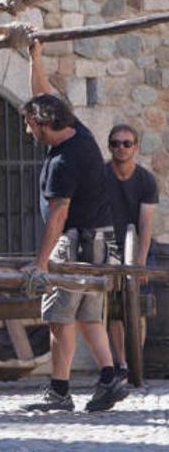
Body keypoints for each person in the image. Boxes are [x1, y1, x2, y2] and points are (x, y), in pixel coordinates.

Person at [19, 40, 128, 413]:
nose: (27, 129)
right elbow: (43, 94)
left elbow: (58, 215)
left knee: (59, 318)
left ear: (46, 124)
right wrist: (34, 58)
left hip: (74, 243)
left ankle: (59, 392)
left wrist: (42, 262)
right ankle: (111, 376)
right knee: (86, 316)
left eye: (31, 124)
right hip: (99, 242)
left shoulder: (63, 162)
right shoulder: (78, 133)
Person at [104, 123, 160, 383]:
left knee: (137, 309)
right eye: (116, 143)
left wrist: (140, 263)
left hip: (137, 246)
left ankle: (135, 360)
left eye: (127, 143)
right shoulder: (101, 176)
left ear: (136, 147)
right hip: (108, 246)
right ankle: (121, 364)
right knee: (114, 309)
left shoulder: (146, 180)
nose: (121, 148)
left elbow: (146, 222)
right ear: (110, 146)